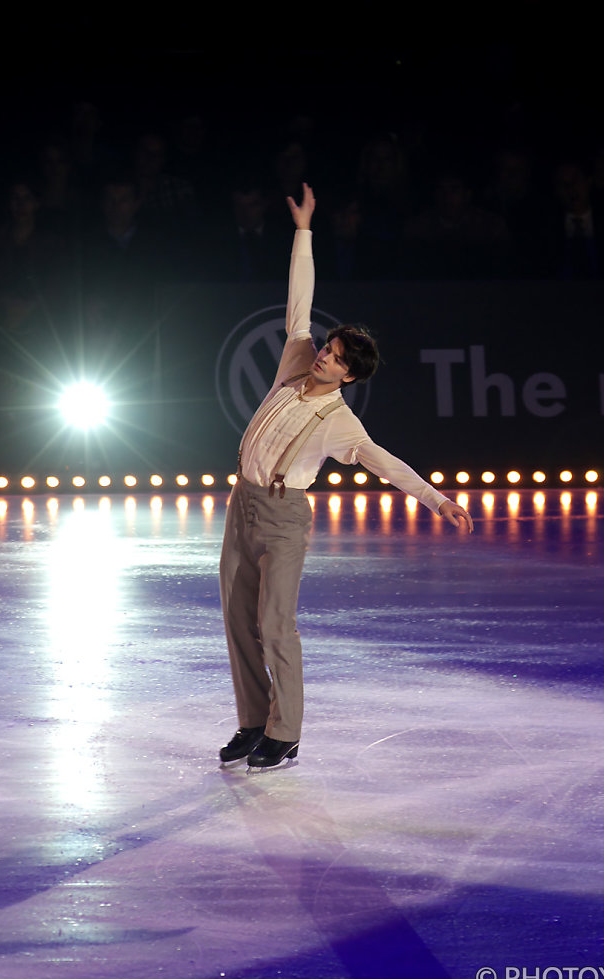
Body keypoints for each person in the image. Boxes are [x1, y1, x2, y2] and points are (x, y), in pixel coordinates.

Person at [219, 183, 473, 773]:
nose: (323, 356)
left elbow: (388, 464)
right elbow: (299, 299)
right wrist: (304, 230)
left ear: (349, 377)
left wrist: (437, 501)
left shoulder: (341, 426)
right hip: (243, 503)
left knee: (274, 621)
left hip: (284, 520)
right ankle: (253, 722)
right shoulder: (294, 357)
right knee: (237, 620)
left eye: (334, 358)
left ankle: (286, 733)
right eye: (327, 348)